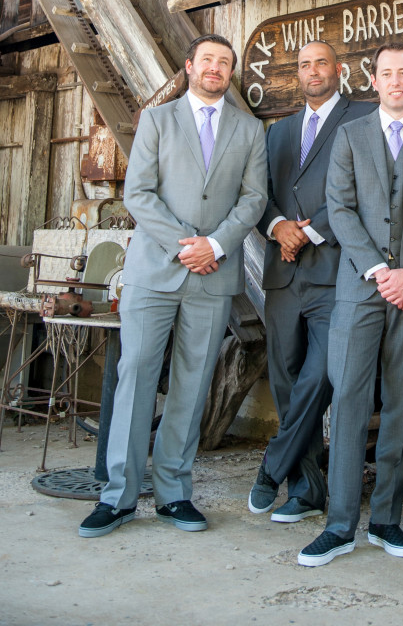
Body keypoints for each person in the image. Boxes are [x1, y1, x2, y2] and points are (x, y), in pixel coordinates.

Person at [79, 34, 268, 537]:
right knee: (136, 376)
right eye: (207, 60)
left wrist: (217, 245)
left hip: (213, 275)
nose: (215, 68)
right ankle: (116, 496)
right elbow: (138, 194)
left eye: (224, 63)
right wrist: (186, 244)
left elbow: (253, 200)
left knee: (192, 384)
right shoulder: (158, 121)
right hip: (155, 271)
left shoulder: (250, 131)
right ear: (189, 67)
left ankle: (173, 493)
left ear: (231, 72)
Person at [298, 42, 403, 567]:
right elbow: (340, 211)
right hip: (360, 288)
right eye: (385, 73)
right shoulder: (349, 135)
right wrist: (379, 271)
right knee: (347, 397)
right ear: (373, 81)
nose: (394, 81)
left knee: (400, 400)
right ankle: (340, 524)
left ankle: (387, 520)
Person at [248, 41, 375, 523]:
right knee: (285, 378)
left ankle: (271, 466)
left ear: (339, 70)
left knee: (320, 375)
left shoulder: (362, 118)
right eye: (304, 64)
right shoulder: (277, 132)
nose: (313, 71)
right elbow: (258, 193)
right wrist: (278, 226)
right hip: (281, 272)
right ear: (297, 75)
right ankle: (305, 489)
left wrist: (309, 231)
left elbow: (366, 188)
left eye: (322, 62)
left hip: (336, 270)